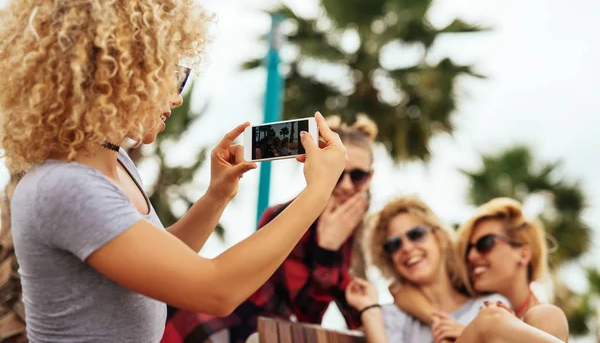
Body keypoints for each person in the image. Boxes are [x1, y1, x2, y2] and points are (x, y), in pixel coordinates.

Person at [0, 0, 347, 342]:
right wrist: (318, 191)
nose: (178, 97)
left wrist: (216, 196)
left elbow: (156, 260)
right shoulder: (64, 187)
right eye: (170, 75)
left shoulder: (110, 164)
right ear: (113, 73)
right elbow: (215, 291)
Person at [163, 115, 378, 342]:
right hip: (224, 327)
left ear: (369, 177)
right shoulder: (281, 216)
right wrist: (326, 251)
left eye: (357, 176)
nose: (346, 185)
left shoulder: (363, 237)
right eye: (339, 173)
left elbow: (358, 315)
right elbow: (305, 313)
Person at [392, 198, 569, 342]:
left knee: (548, 315)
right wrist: (439, 319)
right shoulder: (470, 298)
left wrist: (469, 332)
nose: (471, 257)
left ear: (523, 255)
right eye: (470, 248)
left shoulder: (539, 316)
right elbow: (398, 290)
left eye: (485, 244)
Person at [344, 196, 505, 343]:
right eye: (394, 245)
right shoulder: (392, 317)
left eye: (416, 234)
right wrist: (369, 310)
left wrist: (466, 337)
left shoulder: (490, 307)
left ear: (439, 237)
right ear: (389, 258)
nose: (406, 247)